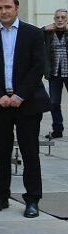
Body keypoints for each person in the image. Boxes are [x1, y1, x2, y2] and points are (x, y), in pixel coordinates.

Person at [0, 0, 50, 218]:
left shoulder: (33, 34)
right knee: (1, 152)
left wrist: (20, 95)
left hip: (27, 102)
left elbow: (38, 66)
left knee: (30, 153)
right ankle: (1, 196)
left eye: (8, 7)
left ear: (17, 7)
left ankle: (32, 200)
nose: (4, 12)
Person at [43, 8, 68, 139]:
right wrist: (43, 29)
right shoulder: (48, 33)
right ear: (54, 20)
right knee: (54, 103)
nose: (60, 20)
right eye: (57, 17)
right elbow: (33, 35)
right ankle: (57, 130)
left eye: (63, 17)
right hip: (54, 74)